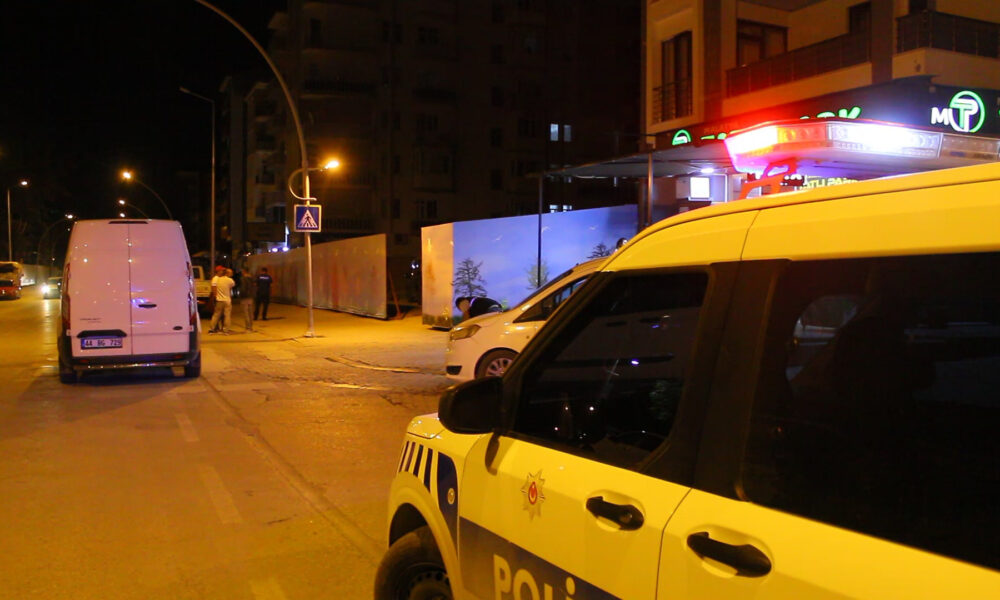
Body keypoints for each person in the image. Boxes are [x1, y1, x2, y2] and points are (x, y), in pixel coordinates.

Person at [209, 266, 235, 334]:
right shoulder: (229, 280)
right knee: (227, 315)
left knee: (216, 315)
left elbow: (214, 287)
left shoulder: (218, 279)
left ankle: (212, 328)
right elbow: (232, 285)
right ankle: (225, 330)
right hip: (227, 300)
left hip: (219, 300)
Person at [237, 267, 255, 332]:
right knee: (250, 312)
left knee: (246, 312)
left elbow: (243, 288)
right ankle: (251, 326)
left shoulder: (243, 279)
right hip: (251, 296)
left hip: (245, 297)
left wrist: (240, 296)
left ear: (244, 271)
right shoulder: (252, 278)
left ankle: (248, 327)